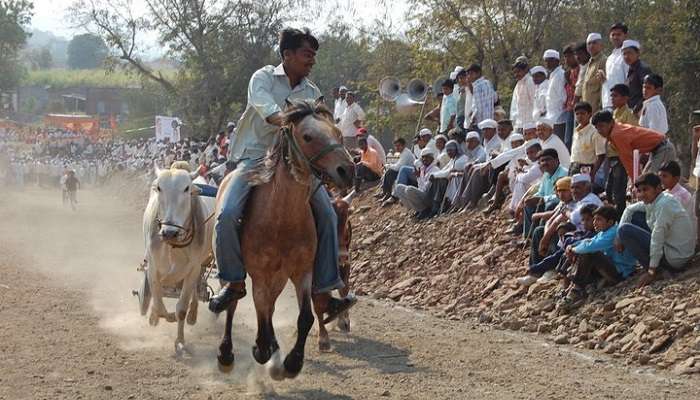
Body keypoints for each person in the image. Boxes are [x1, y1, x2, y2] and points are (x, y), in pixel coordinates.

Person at [211, 28, 355, 318]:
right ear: (287, 55)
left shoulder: (312, 92)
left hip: (297, 162)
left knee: (328, 215)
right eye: (307, 54)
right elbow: (269, 112)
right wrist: (298, 122)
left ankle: (324, 291)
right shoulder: (262, 78)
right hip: (255, 157)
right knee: (226, 214)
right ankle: (234, 280)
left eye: (314, 55)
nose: (312, 61)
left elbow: (319, 126)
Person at [617, 173, 696, 287]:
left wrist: (651, 271)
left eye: (646, 190)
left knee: (625, 230)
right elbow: (629, 209)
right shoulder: (656, 200)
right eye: (639, 191)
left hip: (676, 257)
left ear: (658, 188)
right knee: (633, 217)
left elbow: (657, 238)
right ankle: (656, 267)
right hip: (673, 248)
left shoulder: (664, 204)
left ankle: (657, 271)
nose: (642, 194)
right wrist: (618, 238)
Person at [561, 205, 637, 305]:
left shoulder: (613, 232)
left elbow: (590, 247)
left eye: (599, 220)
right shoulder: (603, 232)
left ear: (610, 222)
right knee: (578, 252)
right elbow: (588, 241)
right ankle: (568, 287)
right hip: (610, 267)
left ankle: (577, 289)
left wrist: (574, 250)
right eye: (595, 219)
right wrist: (572, 246)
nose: (594, 223)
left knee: (590, 253)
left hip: (620, 273)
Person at [591, 110, 676, 176]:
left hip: (663, 148)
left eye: (602, 126)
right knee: (647, 178)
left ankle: (687, 194)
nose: (599, 130)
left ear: (611, 122)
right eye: (597, 127)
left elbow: (629, 160)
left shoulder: (617, 135)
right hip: (657, 150)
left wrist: (636, 183)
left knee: (651, 180)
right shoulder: (614, 132)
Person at [607, 84, 636, 217]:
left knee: (619, 192)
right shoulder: (614, 114)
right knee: (610, 190)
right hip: (613, 157)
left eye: (616, 96)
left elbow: (630, 136)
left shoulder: (628, 115)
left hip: (621, 157)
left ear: (625, 98)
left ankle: (620, 219)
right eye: (612, 95)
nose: (612, 98)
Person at [394, 148, 439, 217]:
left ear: (432, 158)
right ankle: (417, 209)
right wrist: (418, 177)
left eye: (427, 157)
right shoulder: (422, 169)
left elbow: (426, 189)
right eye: (423, 157)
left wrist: (419, 179)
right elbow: (420, 187)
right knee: (398, 188)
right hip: (423, 194)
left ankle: (424, 210)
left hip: (430, 198)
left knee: (409, 189)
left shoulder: (435, 170)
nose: (424, 159)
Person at [569, 101, 606, 178]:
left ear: (589, 115)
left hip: (586, 167)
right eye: (577, 114)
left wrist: (593, 173)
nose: (579, 116)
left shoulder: (595, 132)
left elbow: (601, 155)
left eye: (582, 113)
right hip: (573, 166)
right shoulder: (576, 131)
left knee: (584, 189)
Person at [602, 23, 629, 110]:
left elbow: (628, 80)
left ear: (625, 36)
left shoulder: (626, 56)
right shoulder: (610, 58)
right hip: (608, 102)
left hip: (621, 104)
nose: (615, 37)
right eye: (613, 35)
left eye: (618, 34)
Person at [378, 137, 415, 202]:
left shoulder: (406, 153)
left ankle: (389, 194)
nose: (397, 148)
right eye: (396, 146)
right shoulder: (403, 152)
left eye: (399, 146)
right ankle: (386, 193)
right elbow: (397, 165)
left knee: (390, 172)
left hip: (410, 176)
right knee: (389, 171)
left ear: (403, 145)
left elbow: (398, 167)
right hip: (405, 173)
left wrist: (387, 166)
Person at [621, 40, 652, 114]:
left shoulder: (642, 69)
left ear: (638, 53)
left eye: (630, 53)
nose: (626, 56)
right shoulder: (631, 69)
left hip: (641, 110)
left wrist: (636, 109)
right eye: (624, 54)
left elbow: (648, 92)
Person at [544, 49, 567, 142]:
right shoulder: (552, 75)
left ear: (556, 61)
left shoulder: (560, 75)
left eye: (550, 60)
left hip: (559, 117)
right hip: (551, 118)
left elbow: (563, 97)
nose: (547, 63)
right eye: (546, 61)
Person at [581, 33, 607, 112]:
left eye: (594, 43)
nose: (591, 46)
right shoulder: (590, 62)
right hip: (587, 109)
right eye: (589, 43)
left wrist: (601, 106)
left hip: (597, 109)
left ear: (601, 45)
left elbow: (603, 85)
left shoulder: (603, 61)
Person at [562, 44, 580, 150]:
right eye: (565, 57)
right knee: (567, 140)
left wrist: (569, 81)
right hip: (569, 108)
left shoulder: (580, 69)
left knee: (572, 139)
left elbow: (578, 89)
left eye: (569, 56)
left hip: (577, 108)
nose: (567, 60)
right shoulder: (569, 72)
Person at [510, 60, 536, 132]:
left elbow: (535, 103)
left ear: (525, 70)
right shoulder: (518, 84)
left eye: (518, 71)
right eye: (514, 72)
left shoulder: (530, 81)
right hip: (519, 124)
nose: (516, 74)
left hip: (530, 124)